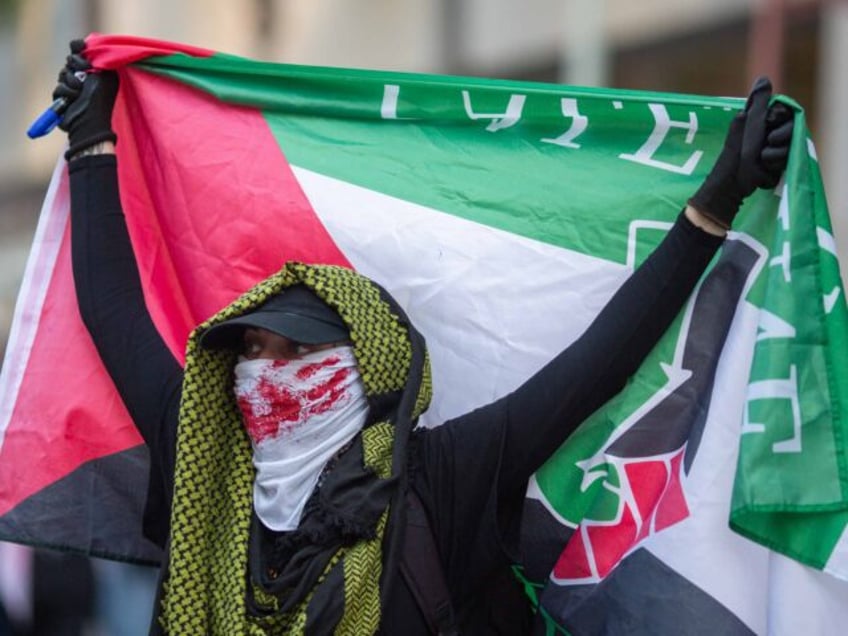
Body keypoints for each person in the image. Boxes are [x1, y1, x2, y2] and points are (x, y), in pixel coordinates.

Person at [53, 40, 793, 635]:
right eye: (250, 351)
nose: (266, 373)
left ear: (366, 365)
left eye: (296, 351)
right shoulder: (206, 461)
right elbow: (113, 312)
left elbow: (597, 365)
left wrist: (716, 200)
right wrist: (91, 142)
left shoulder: (438, 480)